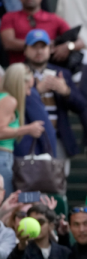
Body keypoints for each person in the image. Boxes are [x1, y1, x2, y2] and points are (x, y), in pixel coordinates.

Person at [24, 29, 87, 174]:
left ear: (50, 49)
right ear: (25, 50)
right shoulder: (19, 72)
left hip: (59, 138)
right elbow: (10, 103)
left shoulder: (62, 73)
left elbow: (81, 106)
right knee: (29, 185)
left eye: (43, 47)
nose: (39, 51)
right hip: (29, 138)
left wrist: (66, 91)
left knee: (57, 186)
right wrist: (35, 91)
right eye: (34, 47)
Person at [1, 0, 83, 65]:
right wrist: (42, 44)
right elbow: (8, 43)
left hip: (49, 70)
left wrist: (68, 46)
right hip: (20, 71)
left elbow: (80, 42)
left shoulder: (54, 19)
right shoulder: (9, 17)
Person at [0, 62, 45, 191]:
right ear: (19, 84)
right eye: (27, 87)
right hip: (2, 156)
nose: (29, 93)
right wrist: (27, 129)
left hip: (5, 156)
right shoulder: (9, 100)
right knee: (6, 204)